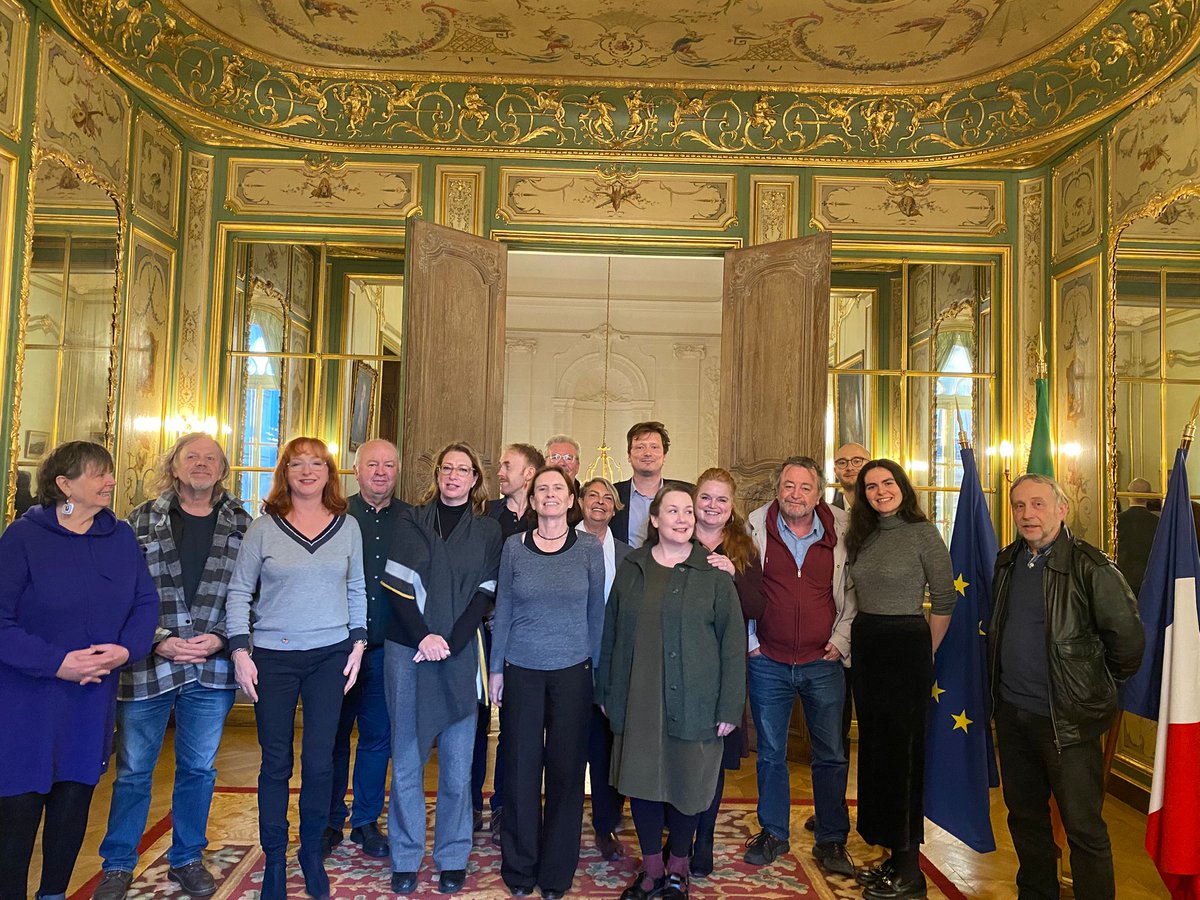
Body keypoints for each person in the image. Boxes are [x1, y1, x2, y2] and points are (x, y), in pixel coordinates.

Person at [93, 434, 252, 900]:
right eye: (192, 457)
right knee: (134, 771)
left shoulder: (245, 525)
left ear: (222, 470)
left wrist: (222, 637)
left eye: (211, 459)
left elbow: (256, 594)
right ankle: (118, 864)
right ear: (175, 467)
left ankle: (186, 857)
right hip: (148, 665)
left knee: (199, 770)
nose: (201, 465)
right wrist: (158, 640)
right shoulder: (137, 521)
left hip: (212, 666)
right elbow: (118, 593)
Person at [0, 441, 158, 900]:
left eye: (109, 472)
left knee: (73, 808)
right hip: (26, 698)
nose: (111, 481)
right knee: (18, 813)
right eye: (98, 474)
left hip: (91, 698)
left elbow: (145, 603)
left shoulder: (122, 537)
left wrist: (124, 652)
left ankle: (54, 894)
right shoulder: (22, 538)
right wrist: (58, 663)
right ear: (64, 485)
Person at [989, 473, 1144, 900]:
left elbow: (1128, 643)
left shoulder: (1091, 566)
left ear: (1061, 509)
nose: (1027, 514)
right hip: (1013, 715)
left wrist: (1090, 691)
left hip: (1068, 723)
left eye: (1037, 504)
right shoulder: (1007, 561)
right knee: (1024, 818)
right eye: (1019, 506)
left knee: (1083, 827)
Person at [226, 437, 368, 900]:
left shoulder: (347, 527)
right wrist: (240, 651)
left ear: (329, 473)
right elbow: (238, 593)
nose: (307, 471)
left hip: (330, 657)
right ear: (285, 473)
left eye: (317, 464)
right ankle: (273, 861)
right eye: (297, 464)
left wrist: (358, 643)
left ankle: (310, 853)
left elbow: (357, 590)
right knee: (276, 762)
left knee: (320, 760)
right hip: (273, 658)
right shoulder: (263, 529)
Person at [597, 486, 745, 900]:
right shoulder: (633, 567)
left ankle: (679, 866)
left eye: (688, 512)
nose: (682, 518)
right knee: (641, 782)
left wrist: (730, 705)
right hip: (638, 696)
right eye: (672, 511)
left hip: (698, 700)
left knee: (688, 784)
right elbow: (611, 631)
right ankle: (653, 870)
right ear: (656, 520)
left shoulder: (714, 574)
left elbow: (733, 646)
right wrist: (606, 690)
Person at [382, 442, 502, 895]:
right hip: (408, 650)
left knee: (457, 764)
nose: (454, 476)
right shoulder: (411, 519)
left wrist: (449, 641)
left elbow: (485, 592)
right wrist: (424, 637)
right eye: (447, 469)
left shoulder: (489, 531)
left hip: (459, 653)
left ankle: (453, 855)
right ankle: (407, 856)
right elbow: (397, 586)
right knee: (408, 759)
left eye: (463, 470)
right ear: (437, 475)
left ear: (474, 480)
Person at [489, 466, 605, 899]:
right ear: (533, 501)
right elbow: (503, 608)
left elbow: (596, 613)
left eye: (559, 488)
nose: (551, 495)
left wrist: (596, 671)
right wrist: (496, 669)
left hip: (574, 670)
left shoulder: (589, 548)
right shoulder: (514, 547)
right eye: (543, 490)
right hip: (521, 668)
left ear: (570, 499)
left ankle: (557, 871)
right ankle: (519, 868)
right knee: (520, 769)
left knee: (566, 771)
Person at [844, 459, 956, 899]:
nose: (879, 491)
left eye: (887, 483)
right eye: (870, 486)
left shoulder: (923, 533)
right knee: (875, 751)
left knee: (903, 756)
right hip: (869, 644)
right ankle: (892, 855)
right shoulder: (862, 534)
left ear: (902, 487)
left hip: (907, 645)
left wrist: (926, 647)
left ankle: (910, 871)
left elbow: (944, 597)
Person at [743, 456, 856, 877]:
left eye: (805, 487)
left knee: (830, 755)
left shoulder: (842, 530)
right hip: (767, 661)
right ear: (778, 490)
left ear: (818, 492)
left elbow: (853, 591)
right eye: (788, 486)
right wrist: (751, 642)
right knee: (770, 753)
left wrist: (841, 641)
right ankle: (773, 832)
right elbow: (740, 584)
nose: (796, 494)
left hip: (823, 662)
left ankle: (831, 839)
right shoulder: (753, 528)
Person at [323, 439, 411, 859]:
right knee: (333, 738)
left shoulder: (413, 520)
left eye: (388, 465)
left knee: (378, 739)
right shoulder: (334, 517)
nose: (380, 472)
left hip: (390, 650)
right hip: (337, 650)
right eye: (372, 464)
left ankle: (365, 822)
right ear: (354, 471)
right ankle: (328, 820)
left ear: (398, 471)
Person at [689, 468, 765, 878]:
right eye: (706, 498)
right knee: (680, 754)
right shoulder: (676, 537)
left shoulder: (744, 548)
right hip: (679, 664)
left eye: (721, 499)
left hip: (724, 668)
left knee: (713, 758)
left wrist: (732, 575)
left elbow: (758, 607)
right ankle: (678, 837)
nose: (712, 506)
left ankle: (704, 839)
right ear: (695, 500)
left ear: (731, 506)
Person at [477, 442, 545, 841]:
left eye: (507, 465)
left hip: (531, 637)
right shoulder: (487, 515)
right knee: (477, 721)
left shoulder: (552, 517)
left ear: (529, 474)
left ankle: (507, 805)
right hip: (486, 631)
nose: (499, 471)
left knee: (517, 729)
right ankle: (471, 804)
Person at [577, 476, 632, 860]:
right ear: (579, 502)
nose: (600, 502)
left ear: (616, 508)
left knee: (606, 746)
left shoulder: (629, 556)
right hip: (564, 660)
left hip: (610, 664)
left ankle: (605, 825)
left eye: (607, 498)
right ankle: (558, 821)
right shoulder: (556, 541)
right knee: (563, 746)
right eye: (592, 495)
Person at [611, 422, 693, 548]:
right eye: (640, 447)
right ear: (629, 456)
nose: (647, 453)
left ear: (664, 456)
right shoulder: (612, 494)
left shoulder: (687, 494)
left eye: (654, 447)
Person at [1116, 476, 1159, 596]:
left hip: (1122, 579)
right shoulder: (1157, 522)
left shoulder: (1116, 521)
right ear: (1149, 496)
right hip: (1150, 579)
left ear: (1128, 494)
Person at [831, 443, 869, 510]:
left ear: (870, 466)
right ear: (835, 471)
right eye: (842, 463)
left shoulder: (883, 510)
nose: (850, 468)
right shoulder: (828, 514)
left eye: (857, 461)